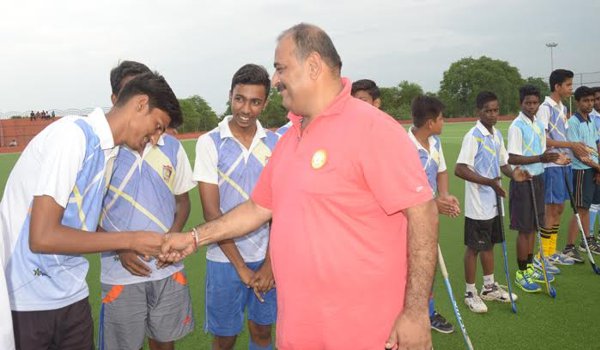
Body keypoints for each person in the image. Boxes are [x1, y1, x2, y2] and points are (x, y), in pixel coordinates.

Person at [162, 23, 439, 350]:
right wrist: (195, 238)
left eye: (281, 69)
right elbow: (257, 208)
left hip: (365, 332)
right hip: (299, 330)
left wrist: (417, 311)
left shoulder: (373, 128)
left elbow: (423, 213)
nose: (275, 79)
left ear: (313, 67)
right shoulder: (289, 139)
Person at [0, 71, 182, 349]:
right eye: (157, 126)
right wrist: (129, 240)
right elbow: (42, 237)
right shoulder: (73, 136)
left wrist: (125, 245)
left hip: (72, 292)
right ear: (140, 103)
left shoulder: (107, 154)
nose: (156, 138)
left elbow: (81, 223)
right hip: (27, 297)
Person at [98, 61, 196, 350]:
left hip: (167, 269)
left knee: (165, 342)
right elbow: (85, 214)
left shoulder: (172, 147)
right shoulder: (102, 151)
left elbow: (183, 201)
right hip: (120, 272)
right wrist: (122, 248)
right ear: (118, 100)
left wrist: (172, 238)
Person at [194, 64, 278, 350]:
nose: (246, 109)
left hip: (267, 259)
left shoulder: (276, 143)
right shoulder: (209, 143)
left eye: (255, 102)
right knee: (225, 339)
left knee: (262, 333)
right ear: (230, 95)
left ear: (265, 103)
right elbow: (211, 213)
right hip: (224, 260)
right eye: (240, 99)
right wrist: (241, 267)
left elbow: (281, 211)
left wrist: (270, 264)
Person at [455, 91, 525, 312]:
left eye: (496, 110)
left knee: (490, 245)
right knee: (474, 248)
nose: (493, 114)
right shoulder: (473, 136)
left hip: (494, 203)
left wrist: (514, 175)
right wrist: (489, 182)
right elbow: (460, 169)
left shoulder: (496, 135)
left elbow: (503, 164)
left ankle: (489, 287)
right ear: (479, 112)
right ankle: (470, 292)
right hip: (477, 205)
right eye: (488, 111)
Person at [507, 84, 569, 293]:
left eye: (535, 103)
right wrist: (540, 158)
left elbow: (543, 150)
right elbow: (512, 157)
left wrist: (556, 158)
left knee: (534, 226)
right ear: (521, 103)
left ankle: (531, 265)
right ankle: (521, 272)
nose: (532, 107)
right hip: (523, 181)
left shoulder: (537, 124)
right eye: (528, 103)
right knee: (525, 229)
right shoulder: (517, 126)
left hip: (539, 178)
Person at [407, 95, 458, 332]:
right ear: (430, 122)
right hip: (407, 220)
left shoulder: (435, 143)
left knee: (428, 265)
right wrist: (432, 204)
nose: (443, 122)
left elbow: (442, 172)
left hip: (431, 216)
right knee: (409, 266)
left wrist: (445, 195)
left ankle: (428, 312)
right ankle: (407, 315)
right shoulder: (403, 147)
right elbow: (402, 191)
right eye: (441, 118)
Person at [536, 69, 588, 269]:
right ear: (557, 86)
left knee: (559, 208)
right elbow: (542, 139)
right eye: (568, 85)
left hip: (563, 163)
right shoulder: (545, 108)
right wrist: (570, 146)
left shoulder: (561, 107)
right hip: (550, 165)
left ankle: (551, 252)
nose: (571, 89)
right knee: (551, 210)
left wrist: (572, 148)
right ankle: (543, 256)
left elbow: (562, 137)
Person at [564, 86, 600, 257]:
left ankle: (587, 241)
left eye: (592, 100)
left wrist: (598, 169)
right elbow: (579, 154)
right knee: (580, 209)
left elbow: (596, 144)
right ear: (577, 102)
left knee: (586, 207)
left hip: (593, 170)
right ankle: (569, 247)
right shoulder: (573, 122)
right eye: (586, 101)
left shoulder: (591, 120)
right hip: (581, 171)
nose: (590, 104)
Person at [587, 87, 600, 238]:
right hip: (594, 164)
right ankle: (589, 234)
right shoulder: (590, 118)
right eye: (595, 99)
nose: (597, 102)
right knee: (594, 201)